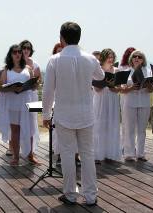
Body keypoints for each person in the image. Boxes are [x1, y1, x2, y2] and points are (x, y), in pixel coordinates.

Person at [43, 22, 104, 206]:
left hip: (64, 114)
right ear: (79, 37)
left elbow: (48, 91)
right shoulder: (90, 59)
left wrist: (46, 114)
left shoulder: (54, 60)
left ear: (61, 38)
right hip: (86, 113)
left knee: (68, 155)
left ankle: (70, 194)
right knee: (87, 154)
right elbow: (100, 77)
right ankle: (91, 195)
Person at [0, 44, 38, 166]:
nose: (17, 54)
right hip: (13, 103)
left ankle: (30, 155)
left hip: (27, 102)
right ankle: (15, 156)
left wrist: (33, 84)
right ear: (10, 54)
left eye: (19, 52)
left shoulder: (28, 68)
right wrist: (12, 88)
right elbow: (0, 87)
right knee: (15, 131)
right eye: (14, 52)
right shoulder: (6, 70)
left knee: (30, 128)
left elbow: (34, 86)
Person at [120, 50, 153, 162]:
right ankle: (129, 154)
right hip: (130, 102)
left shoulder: (148, 71)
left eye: (139, 56)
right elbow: (122, 90)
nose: (137, 58)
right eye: (135, 56)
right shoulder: (126, 71)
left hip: (144, 102)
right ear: (131, 59)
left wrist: (148, 85)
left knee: (142, 130)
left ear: (143, 60)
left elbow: (152, 89)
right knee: (130, 129)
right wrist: (131, 88)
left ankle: (140, 154)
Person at [92, 48, 122, 163]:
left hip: (113, 100)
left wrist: (113, 86)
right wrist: (105, 83)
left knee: (112, 125)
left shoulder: (117, 70)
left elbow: (119, 88)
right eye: (108, 57)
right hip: (101, 100)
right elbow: (96, 88)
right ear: (103, 58)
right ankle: (98, 154)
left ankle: (111, 154)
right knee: (99, 126)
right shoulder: (98, 70)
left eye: (112, 57)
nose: (110, 59)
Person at [20, 40, 41, 164]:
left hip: (32, 97)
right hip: (20, 97)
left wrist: (35, 83)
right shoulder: (16, 64)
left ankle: (31, 153)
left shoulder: (36, 64)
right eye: (24, 48)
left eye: (28, 48)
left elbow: (38, 83)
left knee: (32, 124)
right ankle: (17, 152)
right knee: (19, 124)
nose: (26, 50)